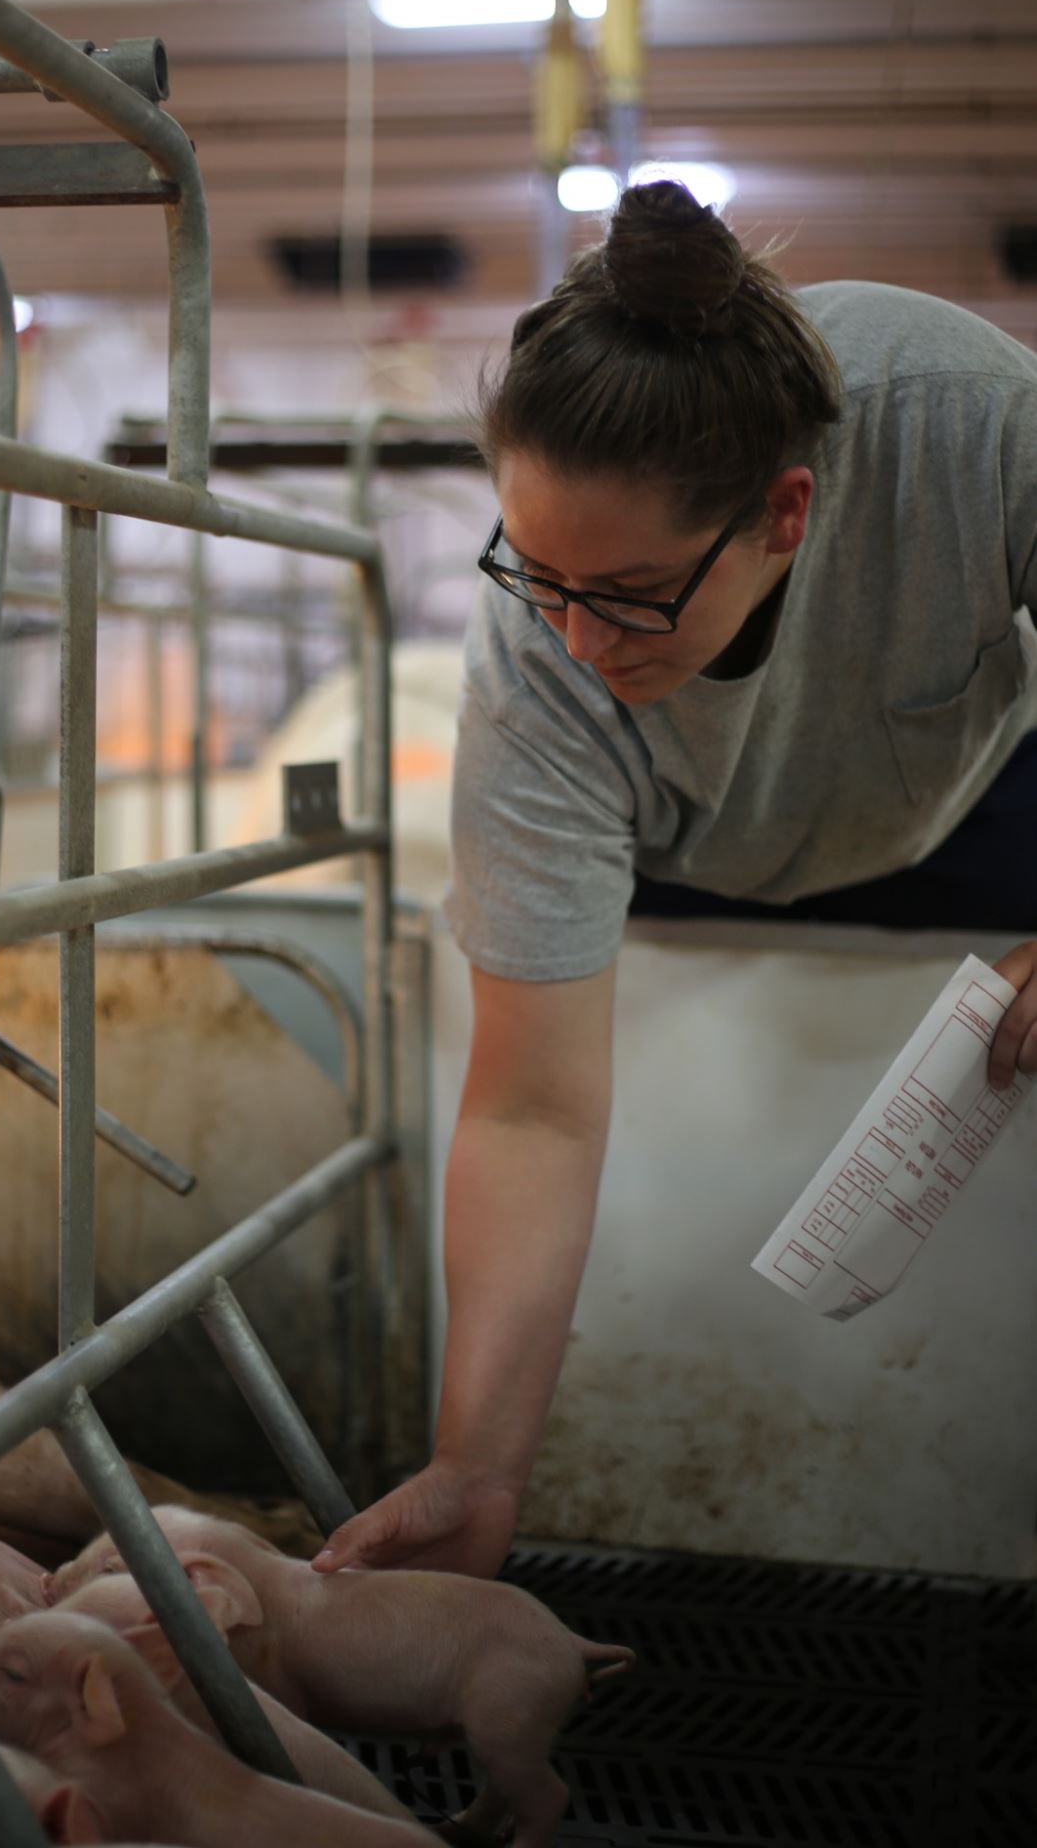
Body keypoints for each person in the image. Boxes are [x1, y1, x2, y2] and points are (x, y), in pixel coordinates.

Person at [312, 179, 1037, 1582]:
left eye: (632, 592)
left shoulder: (969, 416)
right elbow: (528, 1111)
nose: (580, 640)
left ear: (785, 510)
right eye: (537, 577)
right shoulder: (543, 677)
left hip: (968, 789)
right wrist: (475, 1469)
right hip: (698, 845)